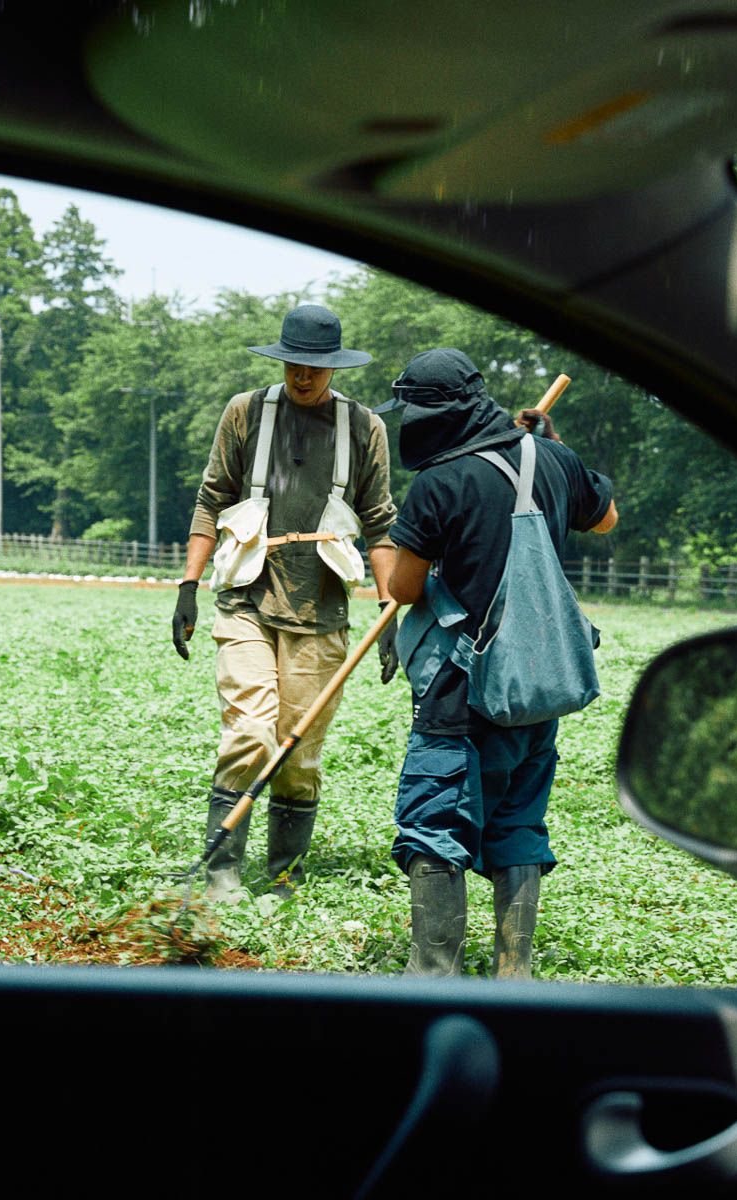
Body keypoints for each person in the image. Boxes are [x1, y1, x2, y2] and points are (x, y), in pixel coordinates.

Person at [376, 348, 617, 978]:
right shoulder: (554, 459)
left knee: (435, 822)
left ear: (436, 412)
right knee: (517, 821)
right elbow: (606, 517)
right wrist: (556, 449)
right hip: (536, 683)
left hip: (461, 689)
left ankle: (433, 977)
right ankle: (515, 975)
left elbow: (402, 588)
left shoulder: (441, 480)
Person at [171, 304, 400, 900]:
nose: (304, 377)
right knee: (251, 733)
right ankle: (221, 871)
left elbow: (379, 523)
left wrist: (389, 609)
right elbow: (210, 499)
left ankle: (281, 878)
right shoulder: (246, 412)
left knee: (299, 754)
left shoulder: (364, 427)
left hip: (322, 610)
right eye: (296, 364)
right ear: (283, 359)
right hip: (246, 597)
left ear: (334, 367)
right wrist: (188, 587)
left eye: (316, 368)